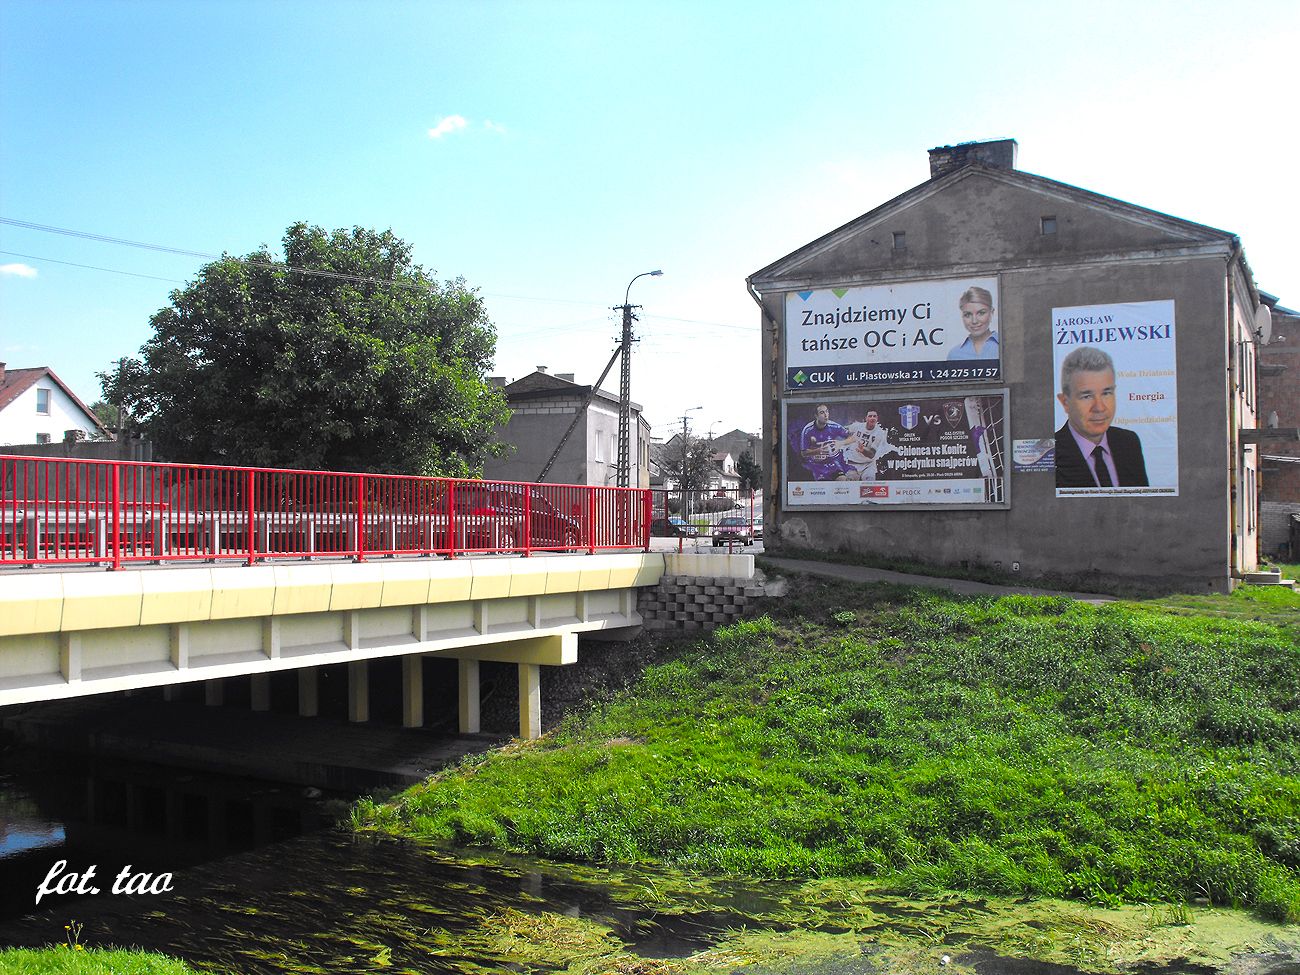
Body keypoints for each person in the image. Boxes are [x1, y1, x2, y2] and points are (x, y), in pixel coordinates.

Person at [1054, 346, 1148, 488]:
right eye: (1087, 396)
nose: (1099, 407)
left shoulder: (1129, 442)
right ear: (1065, 402)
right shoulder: (1052, 451)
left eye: (1106, 393)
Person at [798, 404, 858, 481]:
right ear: (816, 416)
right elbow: (804, 453)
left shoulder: (833, 426)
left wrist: (840, 443)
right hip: (816, 466)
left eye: (827, 412)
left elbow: (853, 438)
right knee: (823, 487)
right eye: (822, 412)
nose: (826, 415)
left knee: (844, 480)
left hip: (832, 463)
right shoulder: (807, 430)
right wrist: (820, 450)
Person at [947, 286, 999, 360]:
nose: (974, 321)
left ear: (992, 312)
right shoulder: (954, 354)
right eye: (968, 315)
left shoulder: (1005, 346)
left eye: (981, 313)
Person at [844, 409, 895, 480]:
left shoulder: (879, 433)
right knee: (850, 485)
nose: (872, 418)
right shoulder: (857, 426)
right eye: (870, 416)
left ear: (877, 419)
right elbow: (842, 430)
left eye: (874, 416)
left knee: (870, 484)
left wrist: (863, 450)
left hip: (868, 465)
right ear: (866, 418)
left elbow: (871, 454)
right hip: (853, 463)